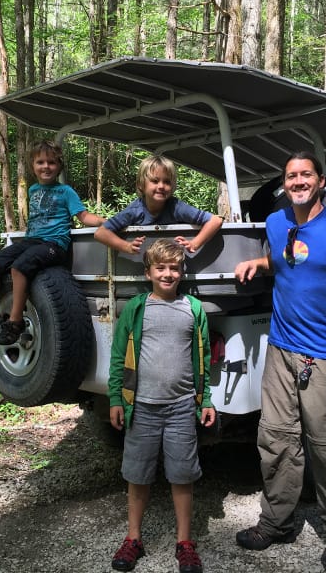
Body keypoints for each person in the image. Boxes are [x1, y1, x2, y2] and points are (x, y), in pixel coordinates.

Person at [233, 151, 326, 572]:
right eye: (290, 176)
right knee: (277, 439)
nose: (298, 181)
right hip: (281, 349)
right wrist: (257, 262)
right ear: (285, 184)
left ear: (321, 181)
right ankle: (277, 521)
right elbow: (290, 261)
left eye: (305, 174)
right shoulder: (277, 222)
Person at [108, 239, 217, 573]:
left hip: (182, 407)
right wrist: (116, 398)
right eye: (161, 268)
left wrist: (206, 399)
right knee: (137, 475)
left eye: (174, 268)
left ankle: (185, 542)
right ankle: (133, 538)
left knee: (182, 475)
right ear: (149, 272)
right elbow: (118, 357)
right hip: (141, 407)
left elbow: (205, 358)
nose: (168, 274)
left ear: (182, 271)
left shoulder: (194, 309)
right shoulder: (136, 308)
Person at [0, 140, 105, 343]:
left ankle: (15, 322)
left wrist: (108, 222)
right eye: (40, 162)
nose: (46, 166)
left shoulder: (66, 191)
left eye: (51, 162)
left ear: (59, 166)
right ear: (33, 166)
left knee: (20, 267)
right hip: (32, 240)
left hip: (54, 244)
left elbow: (84, 217)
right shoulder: (32, 190)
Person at [94, 155, 222, 255]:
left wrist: (194, 243)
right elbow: (101, 233)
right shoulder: (135, 210)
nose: (161, 186)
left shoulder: (176, 207)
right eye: (155, 181)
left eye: (166, 181)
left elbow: (215, 221)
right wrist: (126, 246)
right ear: (141, 185)